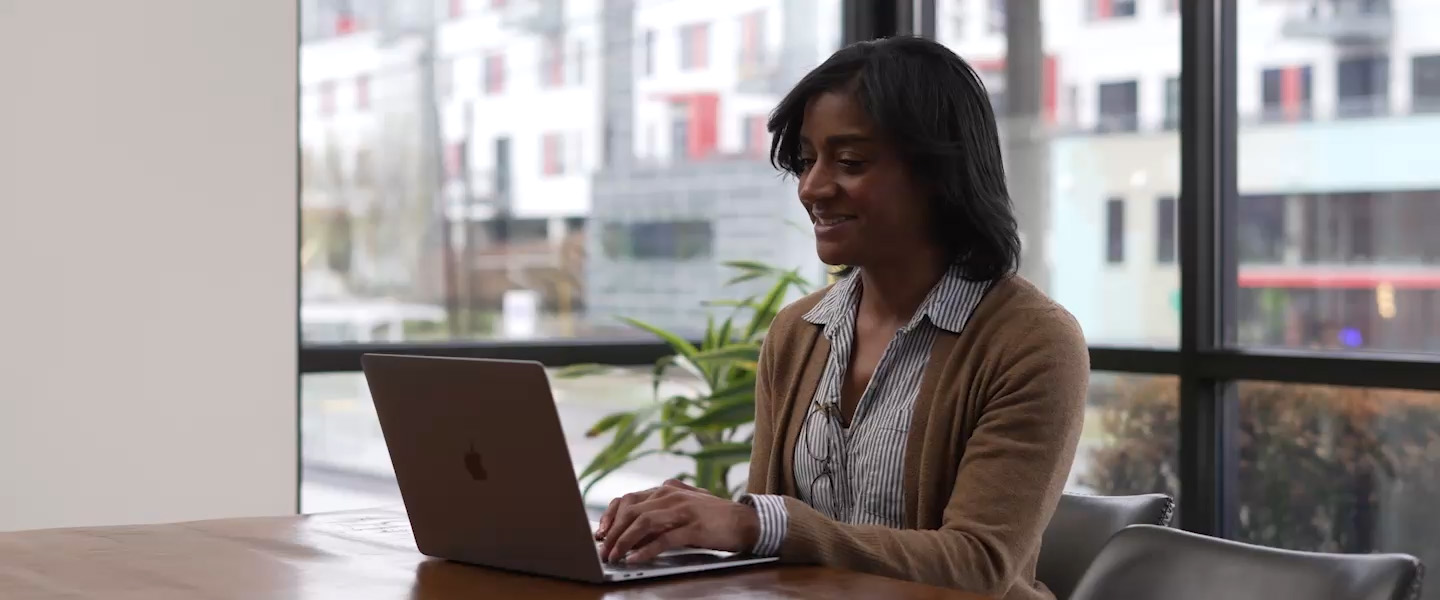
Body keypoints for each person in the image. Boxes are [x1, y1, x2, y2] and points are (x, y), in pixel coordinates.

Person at [594, 36, 1088, 600]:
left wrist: (755, 523)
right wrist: (683, 527)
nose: (812, 187)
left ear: (938, 172)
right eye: (807, 161)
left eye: (849, 162)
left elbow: (978, 565)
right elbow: (768, 555)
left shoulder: (1032, 342)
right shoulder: (797, 332)